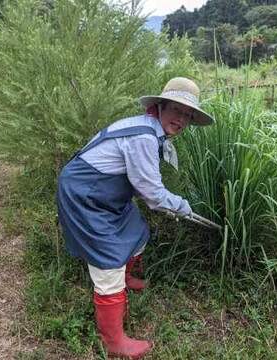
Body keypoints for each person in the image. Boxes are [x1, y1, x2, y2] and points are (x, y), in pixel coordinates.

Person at [57, 77, 214, 359]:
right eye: (177, 110)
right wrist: (180, 205)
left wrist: (171, 205)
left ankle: (126, 278)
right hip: (85, 194)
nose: (181, 119)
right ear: (161, 106)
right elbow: (152, 194)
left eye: (188, 115)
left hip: (108, 192)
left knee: (136, 229)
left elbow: (142, 185)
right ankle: (113, 341)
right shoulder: (143, 136)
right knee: (108, 260)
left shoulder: (150, 129)